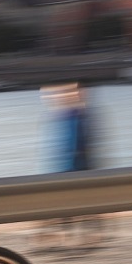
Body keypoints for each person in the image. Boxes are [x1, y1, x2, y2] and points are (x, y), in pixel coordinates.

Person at [38, 81, 104, 249]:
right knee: (71, 205)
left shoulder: (78, 114)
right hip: (67, 167)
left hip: (76, 167)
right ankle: (64, 235)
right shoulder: (67, 114)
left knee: (72, 205)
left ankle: (73, 235)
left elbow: (80, 143)